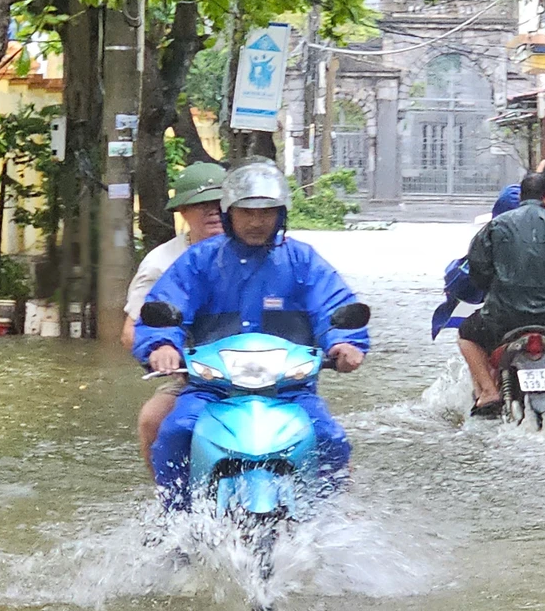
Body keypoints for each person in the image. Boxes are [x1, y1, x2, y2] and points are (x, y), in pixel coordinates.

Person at [132, 158, 370, 494]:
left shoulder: (302, 260)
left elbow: (333, 304)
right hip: (211, 389)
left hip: (289, 390)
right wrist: (162, 345)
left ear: (281, 214)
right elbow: (168, 304)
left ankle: (326, 518)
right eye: (247, 212)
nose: (256, 221)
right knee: (176, 432)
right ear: (230, 213)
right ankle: (176, 517)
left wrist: (344, 343)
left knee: (329, 437)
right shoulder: (200, 261)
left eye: (266, 212)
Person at [458, 173, 545, 425]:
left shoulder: (496, 226)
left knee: (466, 335)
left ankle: (488, 392)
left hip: (503, 317)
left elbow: (478, 269)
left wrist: (494, 289)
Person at [121, 162, 227, 469]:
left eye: (219, 203)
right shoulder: (162, 263)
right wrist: (166, 355)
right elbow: (132, 330)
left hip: (257, 368)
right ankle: (168, 502)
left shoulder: (256, 252)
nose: (213, 212)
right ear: (182, 211)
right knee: (153, 420)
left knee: (321, 431)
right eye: (201, 205)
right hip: (195, 373)